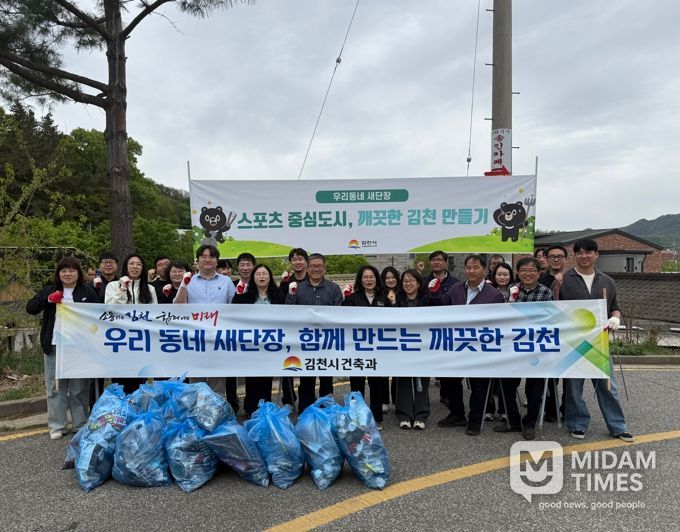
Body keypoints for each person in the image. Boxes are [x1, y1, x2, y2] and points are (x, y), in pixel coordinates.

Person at [559, 238, 633, 442]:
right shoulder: (565, 279)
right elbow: (555, 307)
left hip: (599, 342)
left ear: (596, 254)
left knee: (608, 387)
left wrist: (615, 318)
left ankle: (618, 426)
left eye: (588, 252)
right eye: (580, 252)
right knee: (573, 388)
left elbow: (615, 306)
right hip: (573, 343)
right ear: (575, 255)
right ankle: (577, 423)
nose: (584, 256)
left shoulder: (607, 281)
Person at [26, 257, 98, 440]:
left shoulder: (86, 291)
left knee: (79, 388)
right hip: (54, 346)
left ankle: (80, 424)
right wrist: (48, 300)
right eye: (64, 270)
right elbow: (30, 308)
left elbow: (97, 315)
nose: (68, 274)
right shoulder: (49, 290)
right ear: (58, 274)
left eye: (72, 270)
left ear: (78, 273)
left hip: (79, 347)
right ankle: (57, 425)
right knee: (55, 387)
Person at [437, 255, 504, 436]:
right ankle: (457, 414)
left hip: (480, 348)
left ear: (484, 270)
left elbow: (499, 323)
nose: (471, 271)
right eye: (468, 267)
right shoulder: (456, 289)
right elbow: (439, 309)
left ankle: (475, 419)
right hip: (456, 345)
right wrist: (434, 293)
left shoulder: (494, 295)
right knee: (450, 381)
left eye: (475, 267)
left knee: (478, 385)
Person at [494, 257, 554, 440]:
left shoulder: (546, 293)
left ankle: (530, 423)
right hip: (512, 347)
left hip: (535, 347)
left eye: (532, 270)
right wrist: (510, 302)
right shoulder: (512, 290)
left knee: (534, 387)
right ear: (518, 273)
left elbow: (549, 319)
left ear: (539, 273)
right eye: (524, 271)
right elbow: (502, 317)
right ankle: (513, 421)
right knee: (507, 385)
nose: (528, 274)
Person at [174, 245, 238, 411]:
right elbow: (177, 307)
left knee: (218, 384)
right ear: (197, 260)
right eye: (203, 256)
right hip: (195, 340)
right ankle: (196, 416)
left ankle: (216, 417)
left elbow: (235, 308)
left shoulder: (226, 282)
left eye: (211, 257)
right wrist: (183, 285)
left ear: (217, 261)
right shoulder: (189, 281)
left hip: (219, 339)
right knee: (196, 383)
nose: (207, 260)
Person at [286, 253, 342, 413]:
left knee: (326, 379)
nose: (316, 269)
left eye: (319, 266)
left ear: (325, 268)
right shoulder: (298, 288)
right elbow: (288, 311)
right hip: (305, 342)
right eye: (313, 266)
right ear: (307, 268)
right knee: (306, 380)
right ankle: (306, 413)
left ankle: (327, 412)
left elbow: (339, 313)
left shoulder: (333, 288)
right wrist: (291, 295)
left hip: (327, 342)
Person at [233, 264, 285, 416]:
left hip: (270, 343)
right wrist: (238, 295)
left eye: (264, 274)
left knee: (267, 378)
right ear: (253, 278)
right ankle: (250, 408)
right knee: (251, 377)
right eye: (258, 274)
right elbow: (234, 313)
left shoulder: (278, 295)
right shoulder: (246, 295)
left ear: (270, 277)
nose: (261, 276)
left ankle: (266, 407)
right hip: (251, 344)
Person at [105, 253, 157, 394]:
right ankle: (121, 408)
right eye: (132, 263)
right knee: (120, 382)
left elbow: (154, 315)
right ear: (125, 266)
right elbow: (110, 311)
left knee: (139, 382)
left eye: (139, 264)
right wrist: (122, 289)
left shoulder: (150, 289)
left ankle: (138, 407)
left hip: (141, 342)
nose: (135, 267)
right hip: (119, 340)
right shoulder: (112, 286)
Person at [343, 265, 385, 428]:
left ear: (376, 279)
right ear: (360, 280)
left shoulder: (384, 298)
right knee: (357, 384)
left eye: (372, 277)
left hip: (377, 348)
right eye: (365, 277)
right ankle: (357, 417)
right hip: (357, 348)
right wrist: (345, 299)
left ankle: (377, 418)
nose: (369, 280)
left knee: (377, 384)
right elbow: (342, 317)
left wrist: (394, 302)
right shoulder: (353, 298)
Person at [393, 269, 430, 430]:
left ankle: (421, 414)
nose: (408, 284)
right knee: (403, 379)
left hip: (423, 345)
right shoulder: (397, 300)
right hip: (402, 345)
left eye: (411, 281)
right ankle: (404, 415)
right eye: (405, 281)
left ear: (419, 283)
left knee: (422, 380)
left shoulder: (427, 300)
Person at [279, 248, 310, 408]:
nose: (297, 262)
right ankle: (288, 399)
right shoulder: (286, 282)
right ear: (290, 262)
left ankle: (306, 400)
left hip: (308, 330)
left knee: (307, 367)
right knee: (288, 365)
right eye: (294, 259)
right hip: (289, 330)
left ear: (306, 261)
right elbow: (280, 303)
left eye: (300, 259)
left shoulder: (312, 280)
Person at [380, 266, 401, 410]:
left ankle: (397, 399)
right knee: (383, 369)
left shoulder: (402, 292)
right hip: (383, 336)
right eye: (387, 278)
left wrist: (394, 303)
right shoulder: (379, 294)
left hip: (399, 336)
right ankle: (384, 400)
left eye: (393, 277)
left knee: (397, 370)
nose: (390, 280)